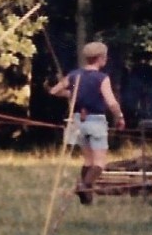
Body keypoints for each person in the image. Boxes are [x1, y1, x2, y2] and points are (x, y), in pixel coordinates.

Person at [49, 40, 126, 204]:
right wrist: (119, 117)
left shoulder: (74, 74)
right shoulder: (102, 78)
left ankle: (86, 200)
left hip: (78, 121)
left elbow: (54, 90)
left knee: (88, 161)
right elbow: (111, 101)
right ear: (100, 58)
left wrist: (71, 94)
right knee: (99, 163)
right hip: (95, 120)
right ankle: (84, 186)